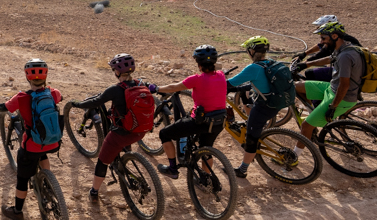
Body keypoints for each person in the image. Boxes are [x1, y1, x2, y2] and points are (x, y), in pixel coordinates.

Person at [0, 58, 63, 220]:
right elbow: (60, 97)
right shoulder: (53, 93)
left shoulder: (22, 97)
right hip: (53, 143)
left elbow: (5, 107)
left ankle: (17, 211)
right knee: (42, 153)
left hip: (31, 146)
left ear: (27, 77)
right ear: (45, 76)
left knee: (22, 178)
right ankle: (48, 181)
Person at [79, 53, 156, 199]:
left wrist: (78, 104)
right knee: (125, 137)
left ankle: (94, 192)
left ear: (117, 71)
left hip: (122, 134)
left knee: (102, 161)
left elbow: (96, 102)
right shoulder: (141, 84)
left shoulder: (115, 90)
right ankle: (126, 155)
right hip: (140, 131)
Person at [225, 36, 296, 178]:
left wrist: (218, 79)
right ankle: (254, 130)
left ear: (251, 51)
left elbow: (230, 83)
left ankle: (242, 170)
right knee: (249, 106)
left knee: (251, 140)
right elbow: (256, 84)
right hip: (275, 104)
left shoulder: (253, 68)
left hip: (263, 107)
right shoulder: (272, 63)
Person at [153, 45, 228, 179]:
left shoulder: (196, 79)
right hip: (218, 121)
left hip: (201, 122)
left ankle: (172, 169)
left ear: (198, 63)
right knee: (206, 150)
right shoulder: (221, 75)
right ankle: (207, 179)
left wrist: (156, 88)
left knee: (164, 134)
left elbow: (173, 87)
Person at [298, 22, 364, 141]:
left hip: (341, 96)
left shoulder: (345, 56)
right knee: (296, 86)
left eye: (324, 38)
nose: (321, 42)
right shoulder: (343, 48)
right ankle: (315, 114)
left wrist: (333, 107)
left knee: (306, 126)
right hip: (331, 88)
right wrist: (306, 64)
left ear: (334, 36)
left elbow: (344, 85)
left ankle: (295, 157)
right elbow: (330, 59)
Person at [297, 14, 363, 82]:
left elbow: (322, 54)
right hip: (348, 71)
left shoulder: (343, 43)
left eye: (320, 26)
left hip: (350, 75)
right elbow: (321, 47)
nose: (318, 28)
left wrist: (305, 63)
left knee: (310, 73)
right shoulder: (339, 39)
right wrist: (304, 54)